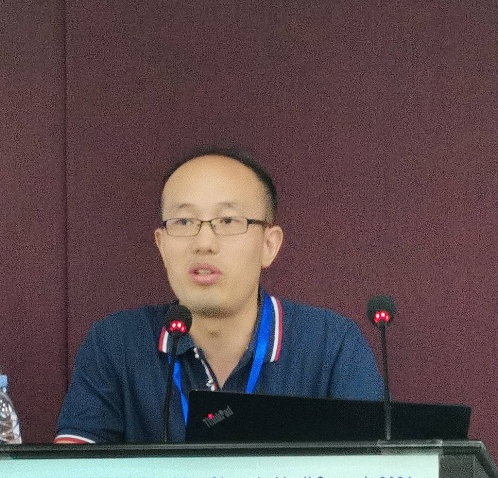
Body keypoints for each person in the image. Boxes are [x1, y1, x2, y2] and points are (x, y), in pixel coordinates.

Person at [55, 148, 383, 443]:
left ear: (269, 245)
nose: (204, 243)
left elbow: (371, 477)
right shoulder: (115, 344)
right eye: (184, 221)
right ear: (162, 245)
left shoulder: (332, 345)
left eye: (227, 220)